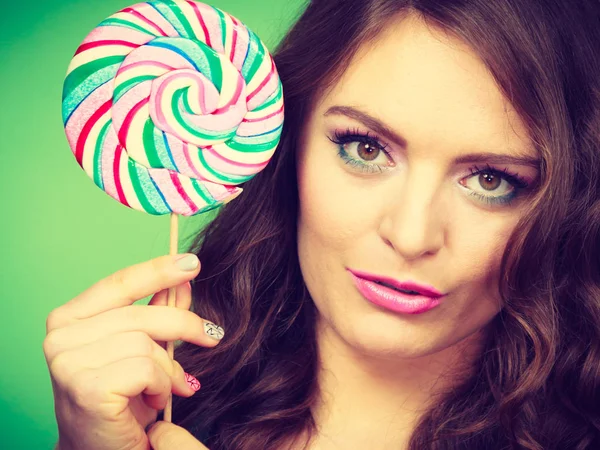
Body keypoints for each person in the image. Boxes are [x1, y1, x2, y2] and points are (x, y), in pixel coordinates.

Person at [44, 0, 600, 449]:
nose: (410, 236)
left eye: (491, 180)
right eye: (364, 148)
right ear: (291, 145)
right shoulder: (160, 404)